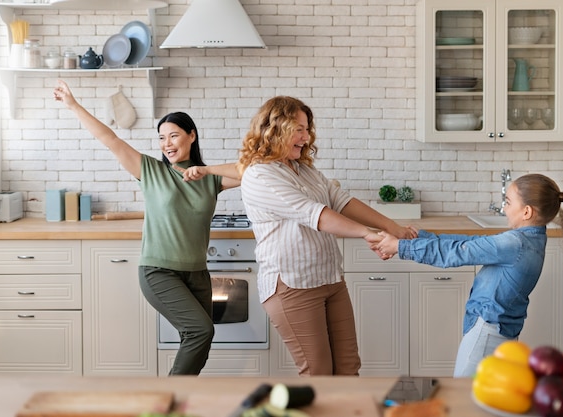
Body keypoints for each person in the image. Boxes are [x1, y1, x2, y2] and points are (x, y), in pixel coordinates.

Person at [53, 80, 241, 375]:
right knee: (200, 331)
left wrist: (208, 169)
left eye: (174, 135)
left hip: (197, 274)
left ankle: (181, 401)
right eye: (162, 137)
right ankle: (167, 401)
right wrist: (74, 105)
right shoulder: (151, 171)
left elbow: (252, 170)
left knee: (198, 339)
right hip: (158, 272)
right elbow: (111, 140)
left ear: (191, 136)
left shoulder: (210, 179)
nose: (167, 143)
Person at [236, 95, 418, 376]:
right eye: (299, 129)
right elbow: (314, 213)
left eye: (307, 129)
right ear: (276, 128)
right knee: (318, 374)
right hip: (293, 286)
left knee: (348, 368)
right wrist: (367, 234)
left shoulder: (302, 169)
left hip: (329, 279)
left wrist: (392, 228)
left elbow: (340, 200)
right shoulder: (260, 175)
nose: (306, 137)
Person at [370, 173, 563, 377]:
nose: (504, 208)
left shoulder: (515, 243)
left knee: (464, 403)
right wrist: (423, 237)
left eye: (508, 202)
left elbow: (456, 254)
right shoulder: (531, 239)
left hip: (486, 337)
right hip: (501, 335)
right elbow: (473, 243)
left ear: (527, 211)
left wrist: (401, 247)